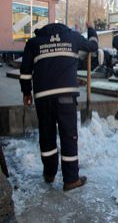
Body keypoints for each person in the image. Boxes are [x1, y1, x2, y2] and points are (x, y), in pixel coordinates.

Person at [19, 22, 98, 191]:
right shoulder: (73, 37)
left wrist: (26, 93)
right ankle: (70, 180)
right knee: (68, 137)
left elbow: (25, 71)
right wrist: (91, 29)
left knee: (47, 136)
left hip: (43, 98)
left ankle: (49, 174)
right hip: (66, 97)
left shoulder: (34, 43)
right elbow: (93, 46)